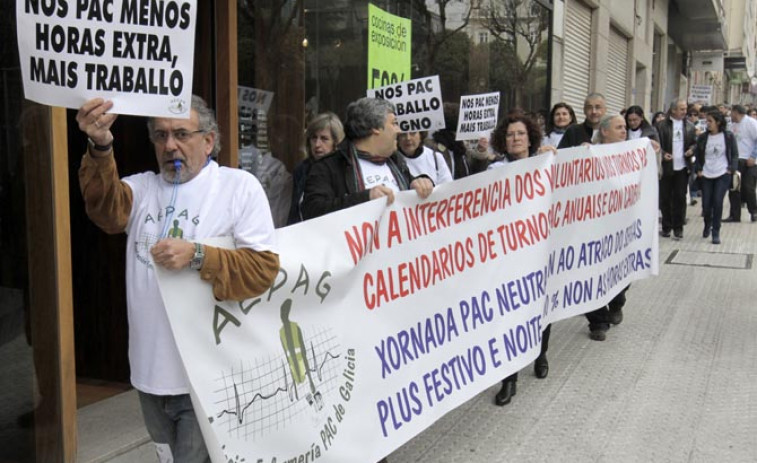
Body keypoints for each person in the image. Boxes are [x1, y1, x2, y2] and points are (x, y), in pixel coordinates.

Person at [76, 96, 280, 462]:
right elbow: (105, 210)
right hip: (149, 373)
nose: (170, 144)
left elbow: (262, 270)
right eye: (161, 135)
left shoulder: (238, 188)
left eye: (182, 134)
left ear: (209, 141)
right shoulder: (141, 189)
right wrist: (101, 145)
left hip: (209, 377)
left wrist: (198, 255)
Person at [486, 114, 556, 406]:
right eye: (510, 134)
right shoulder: (493, 170)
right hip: (508, 252)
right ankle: (510, 378)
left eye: (520, 134)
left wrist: (555, 159)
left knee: (540, 305)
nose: (515, 138)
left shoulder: (547, 164)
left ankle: (540, 353)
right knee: (510, 312)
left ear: (531, 138)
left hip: (541, 247)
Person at [301, 97, 433, 220]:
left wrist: (420, 182)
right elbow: (312, 211)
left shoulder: (396, 161)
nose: (399, 130)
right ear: (375, 128)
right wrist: (365, 198)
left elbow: (411, 188)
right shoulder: (328, 167)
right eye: (394, 123)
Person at [288, 112, 345, 224]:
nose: (317, 144)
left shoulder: (343, 168)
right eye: (314, 138)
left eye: (324, 139)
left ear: (336, 142)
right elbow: (294, 209)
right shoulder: (302, 169)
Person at [695, 110, 739, 244]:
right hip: (706, 174)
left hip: (722, 174)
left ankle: (716, 231)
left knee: (718, 201)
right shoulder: (703, 137)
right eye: (707, 121)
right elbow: (698, 154)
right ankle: (707, 223)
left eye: (710, 121)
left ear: (718, 123)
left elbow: (735, 154)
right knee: (706, 205)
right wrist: (698, 169)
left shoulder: (728, 136)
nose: (707, 124)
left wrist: (731, 169)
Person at [656, 99, 697, 239]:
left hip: (683, 167)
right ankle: (666, 226)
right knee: (665, 198)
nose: (685, 111)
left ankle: (678, 227)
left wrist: (691, 150)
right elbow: (654, 145)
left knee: (680, 198)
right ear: (673, 110)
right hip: (666, 167)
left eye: (685, 109)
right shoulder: (660, 126)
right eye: (681, 109)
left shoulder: (690, 126)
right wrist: (662, 154)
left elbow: (695, 144)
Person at [725, 105, 757, 222]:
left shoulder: (751, 123)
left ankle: (753, 211)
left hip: (749, 161)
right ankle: (734, 215)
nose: (730, 115)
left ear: (736, 112)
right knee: (734, 188)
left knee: (748, 187)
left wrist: (753, 156)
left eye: (731, 113)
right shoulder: (731, 125)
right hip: (736, 160)